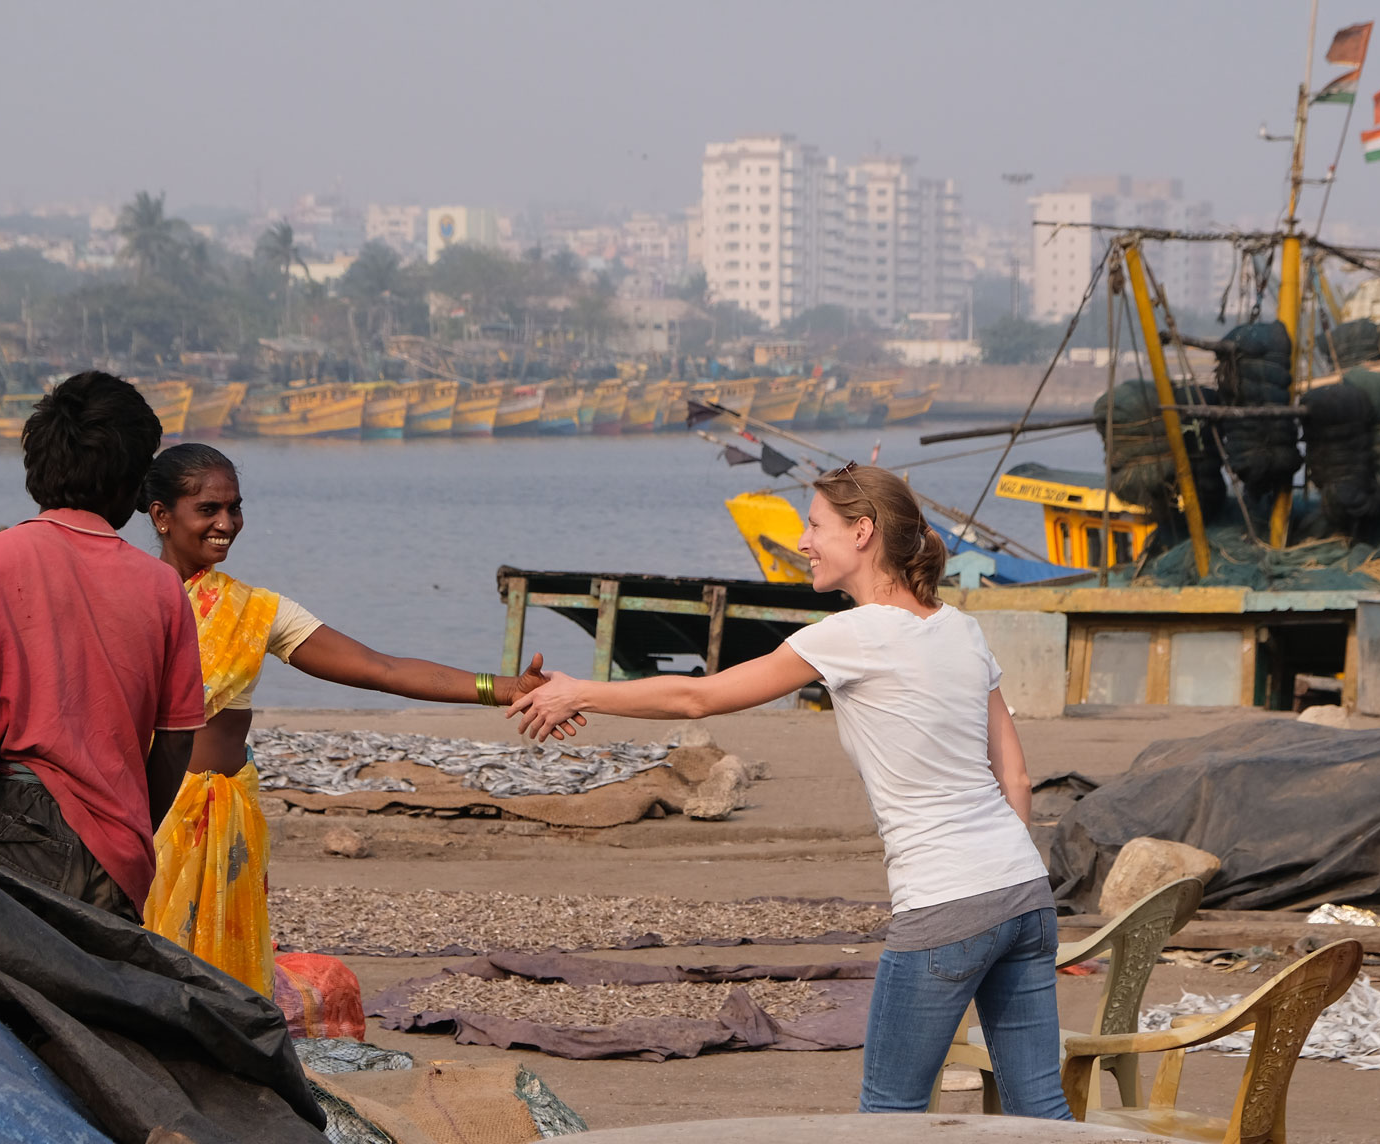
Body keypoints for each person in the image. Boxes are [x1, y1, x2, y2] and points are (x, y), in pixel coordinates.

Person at [508, 463, 1072, 1120]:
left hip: (946, 904)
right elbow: (1017, 778)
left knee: (890, 1115)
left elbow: (699, 697)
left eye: (815, 526)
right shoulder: (961, 628)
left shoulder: (852, 636)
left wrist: (582, 691)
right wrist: (1005, 872)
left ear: (862, 533)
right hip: (1025, 894)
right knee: (1043, 1112)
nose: (804, 541)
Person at [139, 443, 561, 995]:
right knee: (145, 963)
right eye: (208, 510)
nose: (226, 524)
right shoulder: (127, 597)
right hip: (147, 814)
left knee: (221, 983)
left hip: (226, 820)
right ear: (162, 515)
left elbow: (379, 668)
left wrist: (501, 688)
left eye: (235, 508)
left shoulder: (257, 610)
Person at [0, 372, 208, 922]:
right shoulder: (163, 587)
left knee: (4, 989)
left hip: (20, 822)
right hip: (118, 847)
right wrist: (134, 822)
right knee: (94, 996)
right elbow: (177, 740)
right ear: (130, 482)